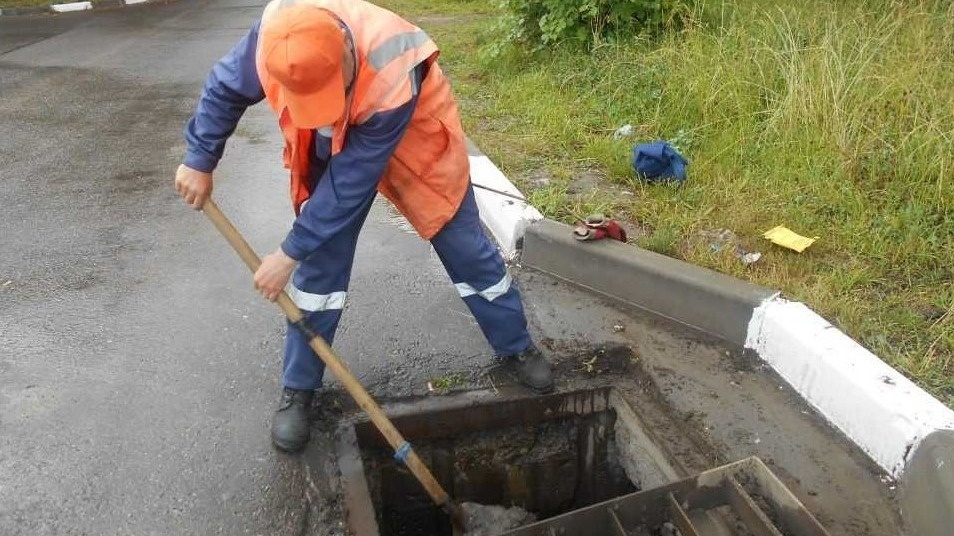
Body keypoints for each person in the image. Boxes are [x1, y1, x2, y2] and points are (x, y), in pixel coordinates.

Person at [174, 0, 555, 453]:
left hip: (409, 127)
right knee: (322, 261)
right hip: (331, 135)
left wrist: (287, 253)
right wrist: (199, 158)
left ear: (345, 52)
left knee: (462, 242)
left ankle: (516, 345)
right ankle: (300, 386)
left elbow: (349, 183)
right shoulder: (274, 38)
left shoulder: (392, 64)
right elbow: (224, 88)